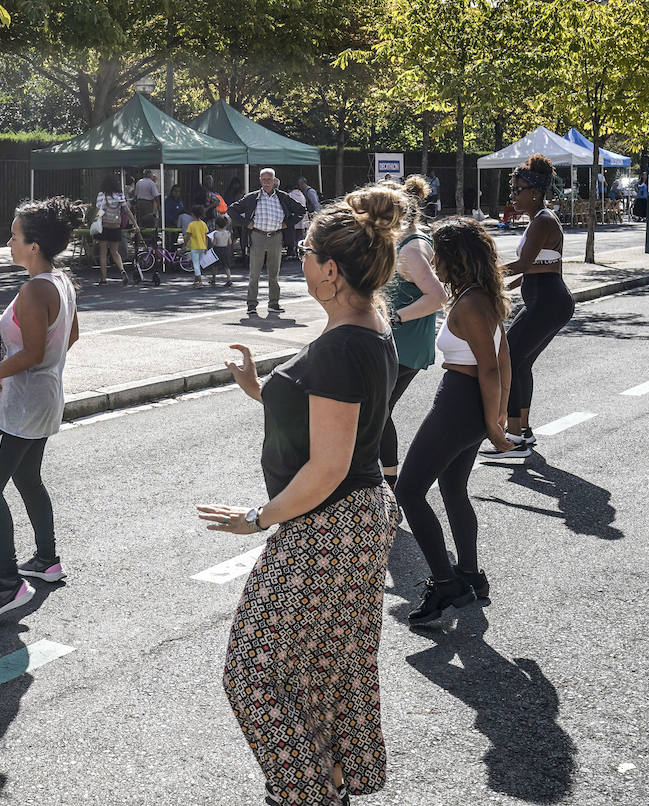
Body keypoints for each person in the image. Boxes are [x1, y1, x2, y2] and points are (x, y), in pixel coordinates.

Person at [198, 184, 405, 806]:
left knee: (253, 672)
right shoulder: (369, 326)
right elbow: (333, 419)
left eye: (306, 254)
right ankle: (329, 782)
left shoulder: (342, 345)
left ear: (331, 271)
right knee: (322, 665)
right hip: (353, 520)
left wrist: (257, 517)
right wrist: (262, 390)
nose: (301, 261)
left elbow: (329, 465)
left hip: (329, 524)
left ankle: (306, 793)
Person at [0, 197, 82, 622]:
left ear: (33, 246)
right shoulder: (60, 281)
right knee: (26, 477)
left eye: (14, 237)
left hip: (23, 407)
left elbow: (32, 353)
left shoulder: (35, 289)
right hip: (44, 398)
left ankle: (8, 583)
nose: (9, 243)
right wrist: (36, 370)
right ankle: (46, 560)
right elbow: (69, 336)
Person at [395, 218, 512, 624]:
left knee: (409, 490)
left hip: (460, 403)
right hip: (469, 404)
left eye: (437, 256)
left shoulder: (470, 303)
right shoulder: (478, 296)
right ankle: (470, 575)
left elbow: (492, 367)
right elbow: (503, 358)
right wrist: (496, 413)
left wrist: (495, 424)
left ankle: (446, 584)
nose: (433, 263)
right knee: (452, 487)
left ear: (453, 257)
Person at [480, 154, 574, 460]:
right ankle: (523, 431)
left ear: (534, 192)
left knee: (508, 360)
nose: (513, 196)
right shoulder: (541, 219)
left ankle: (514, 440)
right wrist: (503, 287)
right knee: (520, 363)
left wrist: (483, 275)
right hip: (549, 301)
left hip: (548, 302)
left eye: (517, 190)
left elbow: (522, 264)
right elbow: (539, 268)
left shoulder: (543, 220)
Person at [380, 176, 447, 487]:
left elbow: (437, 297)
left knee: (377, 412)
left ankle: (389, 484)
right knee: (376, 411)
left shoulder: (412, 248)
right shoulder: (399, 240)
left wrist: (394, 318)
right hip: (398, 342)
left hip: (405, 345)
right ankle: (385, 481)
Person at [227, 167, 307, 315]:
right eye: (263, 179)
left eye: (269, 179)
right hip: (257, 236)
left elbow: (301, 210)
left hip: (276, 237)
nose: (266, 182)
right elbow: (231, 210)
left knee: (274, 273)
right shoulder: (252, 197)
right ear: (260, 181)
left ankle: (273, 303)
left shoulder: (283, 197)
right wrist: (246, 223)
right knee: (254, 274)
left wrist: (287, 223)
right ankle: (251, 304)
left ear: (274, 180)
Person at [94, 177, 134, 285]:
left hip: (104, 226)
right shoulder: (120, 196)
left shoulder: (102, 195)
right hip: (116, 226)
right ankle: (122, 270)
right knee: (115, 252)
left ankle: (103, 278)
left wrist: (93, 222)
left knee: (103, 253)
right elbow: (127, 211)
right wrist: (135, 224)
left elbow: (97, 210)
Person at [185, 205, 209, 288]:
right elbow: (206, 237)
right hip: (202, 247)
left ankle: (200, 282)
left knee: (195, 265)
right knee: (198, 264)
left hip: (194, 247)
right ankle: (195, 281)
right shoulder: (203, 224)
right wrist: (206, 246)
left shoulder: (191, 224)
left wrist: (184, 245)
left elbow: (188, 236)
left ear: (193, 214)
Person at [209, 216, 233, 288]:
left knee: (215, 265)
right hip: (225, 249)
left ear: (216, 225)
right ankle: (229, 279)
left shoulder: (215, 233)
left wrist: (211, 240)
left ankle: (213, 279)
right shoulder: (228, 233)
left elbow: (214, 243)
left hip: (217, 249)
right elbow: (230, 242)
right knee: (226, 265)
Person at [163, 184, 185, 250]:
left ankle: (174, 253)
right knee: (169, 242)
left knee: (175, 241)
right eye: (175, 191)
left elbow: (182, 211)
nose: (177, 193)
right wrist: (173, 221)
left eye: (179, 191)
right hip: (169, 224)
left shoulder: (180, 201)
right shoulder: (168, 201)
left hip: (178, 225)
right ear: (172, 191)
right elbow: (166, 214)